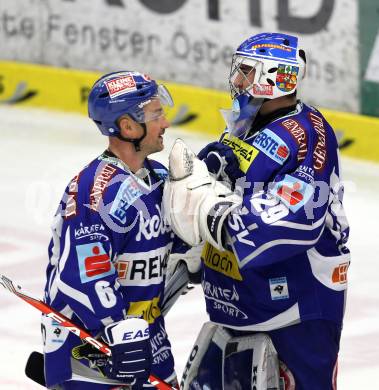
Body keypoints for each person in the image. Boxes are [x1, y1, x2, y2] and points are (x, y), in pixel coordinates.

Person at [164, 32, 350, 389]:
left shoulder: (308, 135)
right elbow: (221, 180)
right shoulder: (245, 120)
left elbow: (297, 217)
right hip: (245, 299)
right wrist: (190, 245)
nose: (238, 80)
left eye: (247, 71)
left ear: (275, 77)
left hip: (297, 308)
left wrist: (212, 218)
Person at [42, 71, 180, 389]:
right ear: (129, 126)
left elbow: (173, 242)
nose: (166, 123)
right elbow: (83, 273)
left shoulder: (158, 177)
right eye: (156, 114)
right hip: (90, 351)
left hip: (148, 341)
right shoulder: (97, 191)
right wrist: (115, 326)